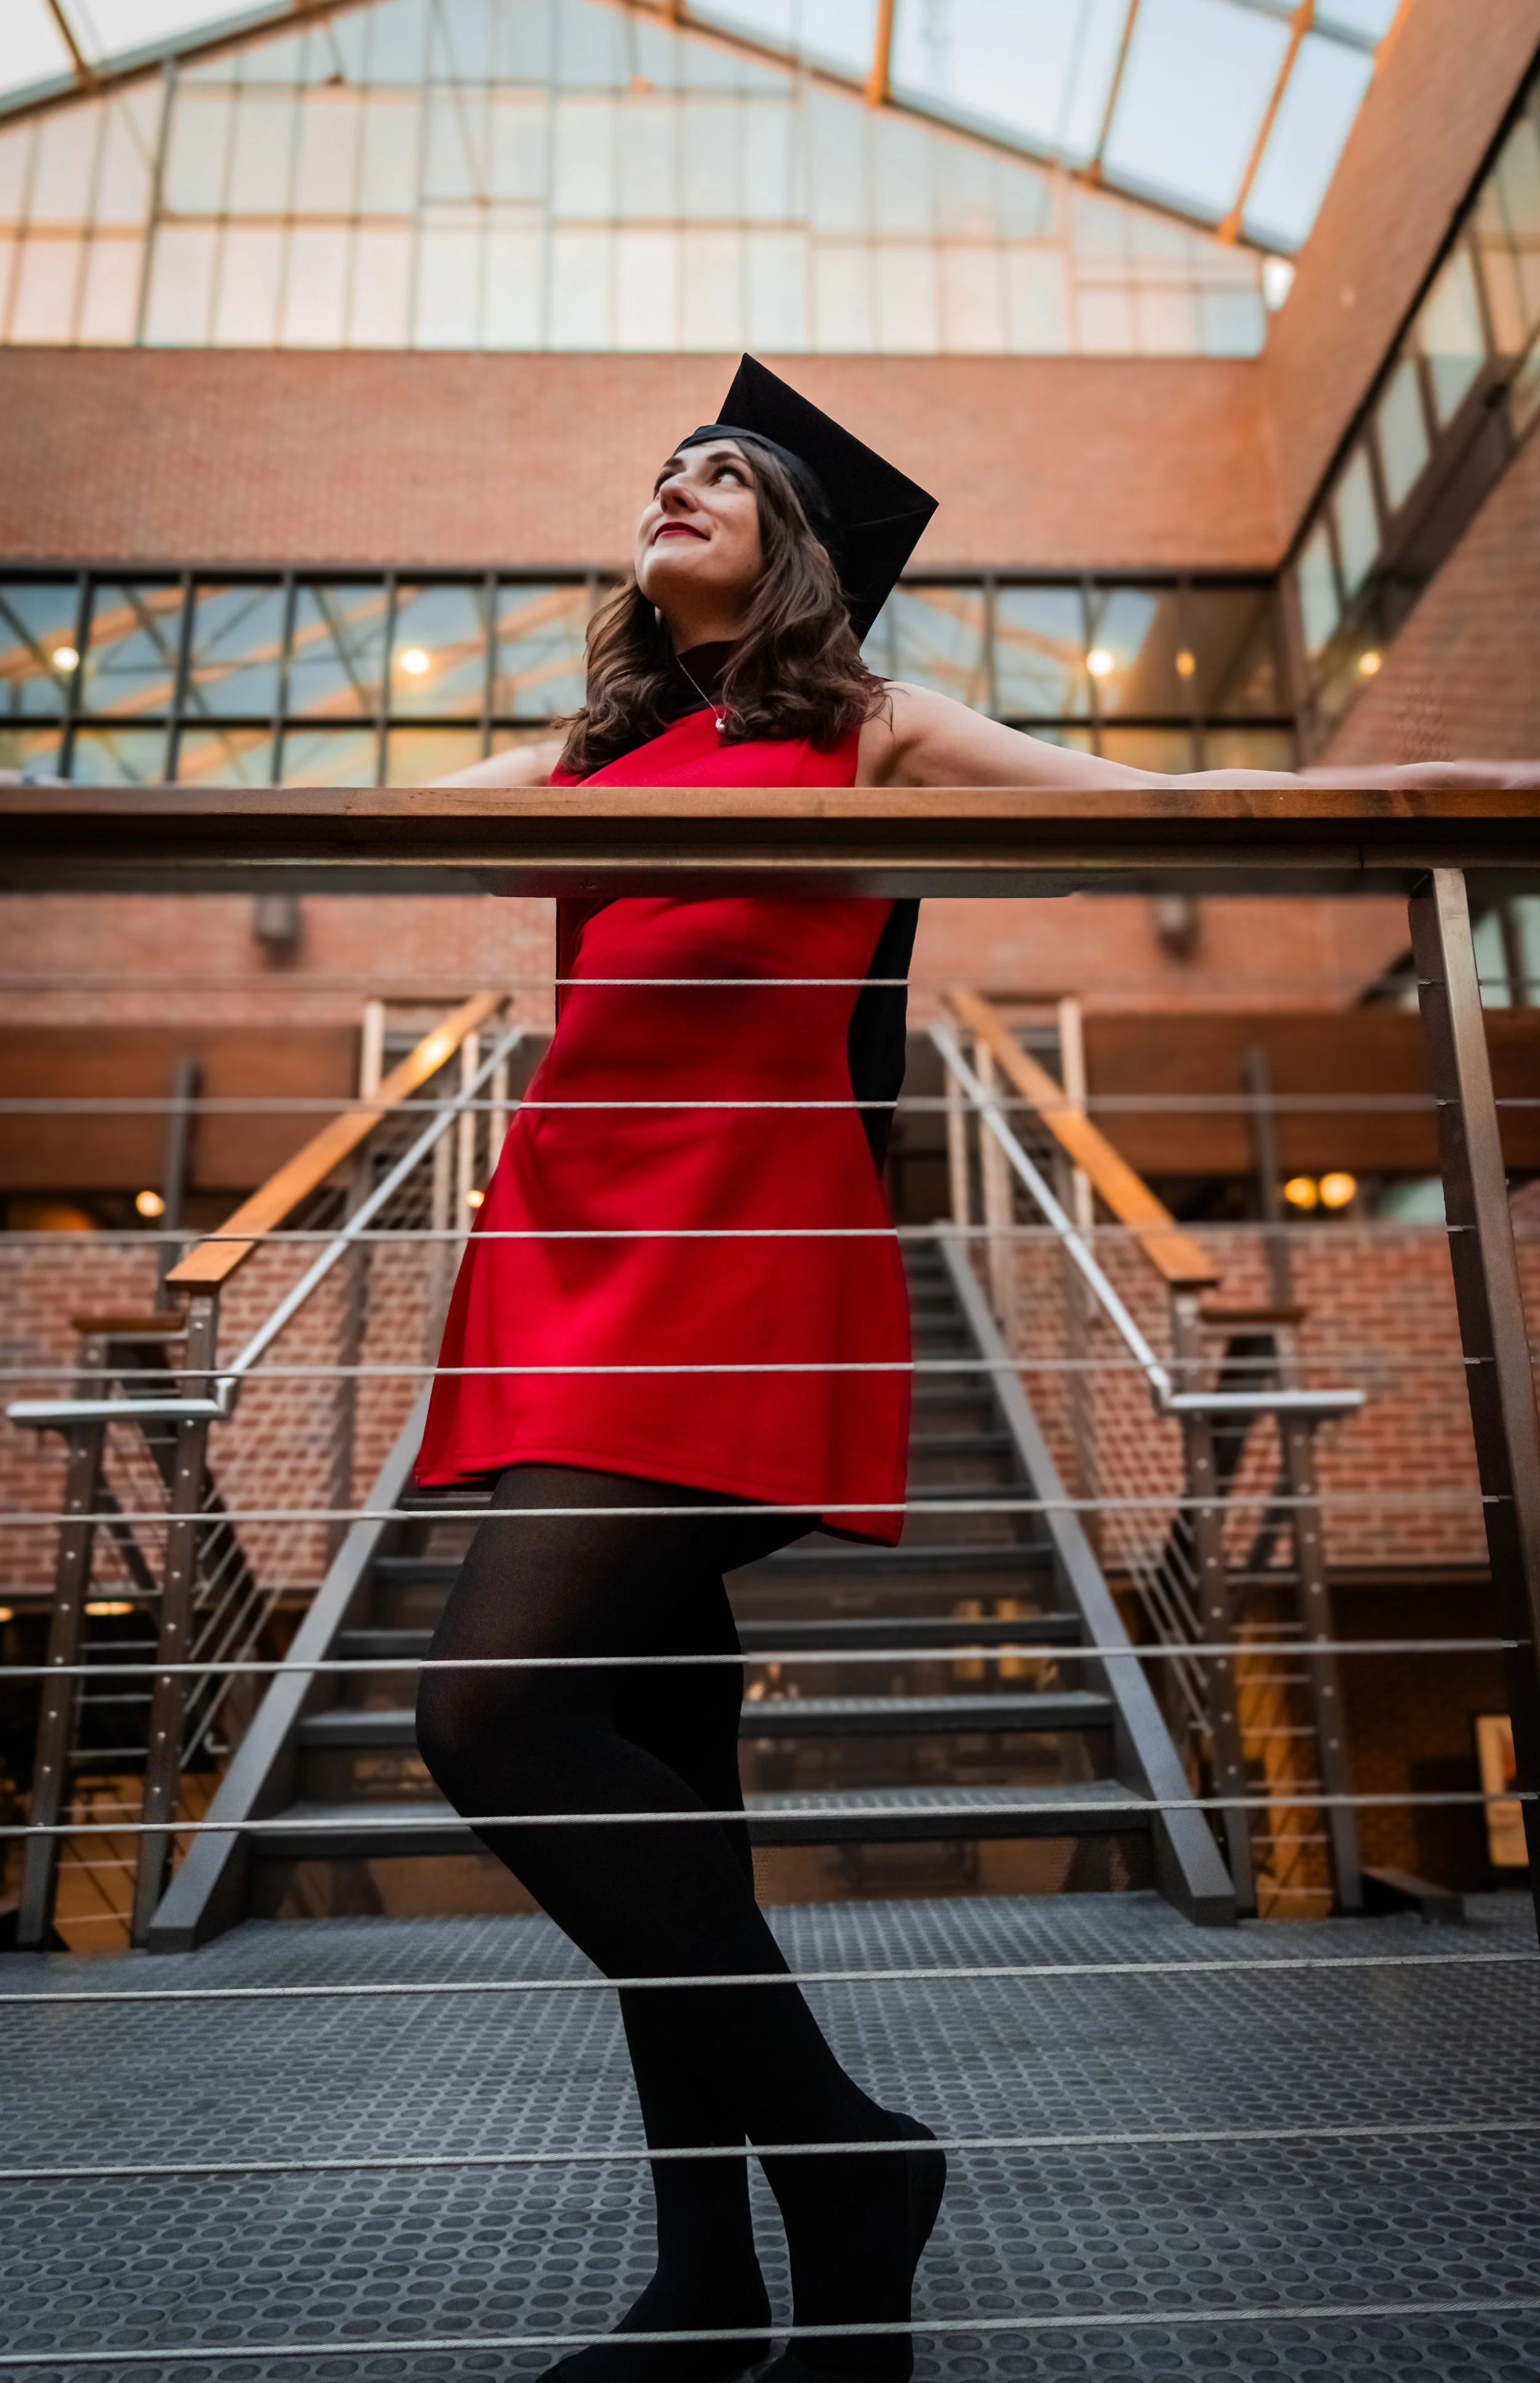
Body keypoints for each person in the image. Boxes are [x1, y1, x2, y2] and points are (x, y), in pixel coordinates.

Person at [411, 355, 1531, 2383]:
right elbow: (370, 826)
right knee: (667, 1770)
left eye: (725, 475)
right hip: (560, 1247)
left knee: (489, 1715)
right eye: (663, 467)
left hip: (727, 1264)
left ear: (801, 548)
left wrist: (1406, 803)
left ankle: (847, 2163)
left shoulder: (869, 727)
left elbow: (1153, 812)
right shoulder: (592, 758)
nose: (678, 479)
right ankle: (715, 2288)